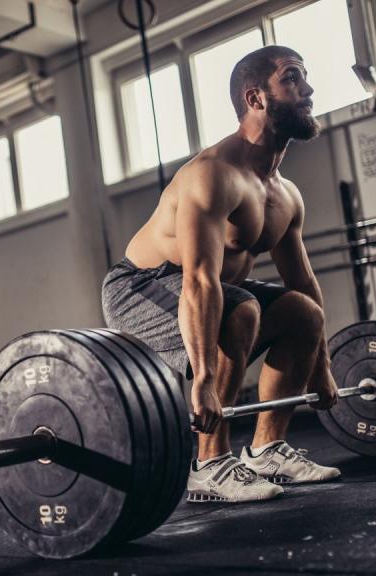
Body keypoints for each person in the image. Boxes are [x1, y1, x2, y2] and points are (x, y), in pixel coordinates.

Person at [101, 45, 341, 504]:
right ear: (255, 99)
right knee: (242, 310)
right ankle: (209, 463)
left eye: (304, 78)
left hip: (214, 292)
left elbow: (303, 281)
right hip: (140, 286)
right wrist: (204, 381)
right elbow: (199, 281)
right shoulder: (213, 175)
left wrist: (323, 368)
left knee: (303, 312)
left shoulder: (285, 194)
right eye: (292, 78)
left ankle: (267, 449)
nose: (307, 90)